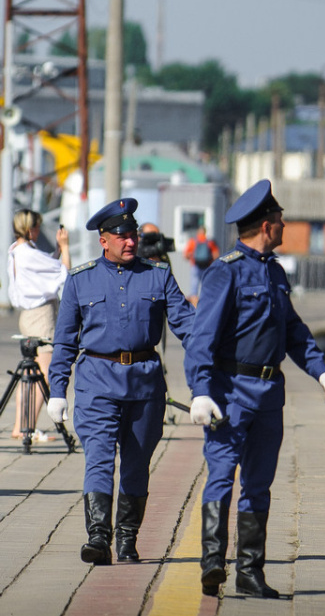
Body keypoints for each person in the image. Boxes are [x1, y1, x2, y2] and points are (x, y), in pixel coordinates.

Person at [184, 179, 325, 598]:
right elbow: (202, 338)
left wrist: (319, 370)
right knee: (220, 474)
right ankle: (213, 563)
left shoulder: (273, 272)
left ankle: (250, 573)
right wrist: (201, 390)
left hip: (269, 395)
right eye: (281, 220)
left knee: (258, 483)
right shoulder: (224, 271)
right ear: (266, 226)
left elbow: (293, 330)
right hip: (230, 391)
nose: (285, 226)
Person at [48, 198, 194, 565]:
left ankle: (127, 539)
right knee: (98, 457)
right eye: (122, 235)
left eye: (133, 235)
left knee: (135, 462)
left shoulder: (158, 275)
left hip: (145, 384)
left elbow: (189, 327)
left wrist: (219, 360)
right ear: (103, 240)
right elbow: (65, 340)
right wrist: (57, 391)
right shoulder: (80, 280)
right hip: (96, 381)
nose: (131, 242)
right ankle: (98, 537)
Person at [6, 209, 70, 441]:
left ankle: (21, 426)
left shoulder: (16, 250)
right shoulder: (27, 253)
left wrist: (56, 249)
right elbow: (64, 273)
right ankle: (28, 428)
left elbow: (47, 268)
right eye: (37, 227)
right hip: (41, 316)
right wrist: (65, 247)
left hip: (29, 315)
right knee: (46, 374)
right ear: (30, 228)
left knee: (29, 374)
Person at [184, 226, 219, 298]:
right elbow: (216, 255)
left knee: (194, 287)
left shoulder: (192, 241)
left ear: (198, 232)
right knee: (206, 286)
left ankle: (194, 303)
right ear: (205, 232)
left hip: (195, 265)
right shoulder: (210, 242)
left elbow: (186, 255)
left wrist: (192, 256)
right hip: (207, 266)